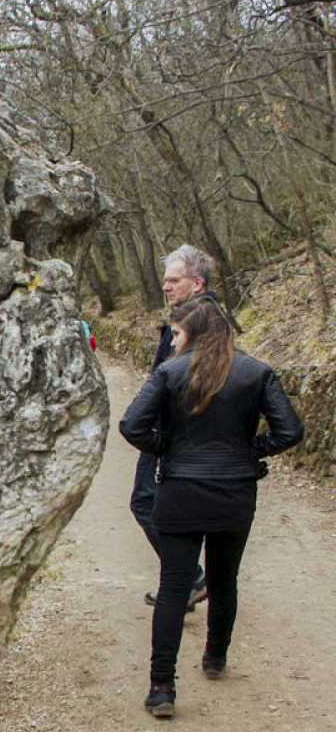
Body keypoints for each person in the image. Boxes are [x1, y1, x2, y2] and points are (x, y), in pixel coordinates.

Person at [119, 295, 302, 718]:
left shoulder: (169, 372)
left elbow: (132, 425)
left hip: (181, 490)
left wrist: (166, 448)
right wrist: (252, 450)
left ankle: (162, 686)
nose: (173, 340)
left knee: (173, 586)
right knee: (224, 581)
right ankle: (215, 659)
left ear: (195, 332)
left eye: (178, 333)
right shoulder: (256, 372)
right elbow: (290, 429)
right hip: (235, 493)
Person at [129, 244, 216, 612]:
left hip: (174, 433)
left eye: (174, 280)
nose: (166, 286)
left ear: (197, 283)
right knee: (158, 505)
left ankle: (189, 578)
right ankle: (185, 581)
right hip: (172, 431)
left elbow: (195, 378)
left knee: (146, 502)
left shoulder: (201, 321)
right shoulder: (190, 314)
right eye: (165, 280)